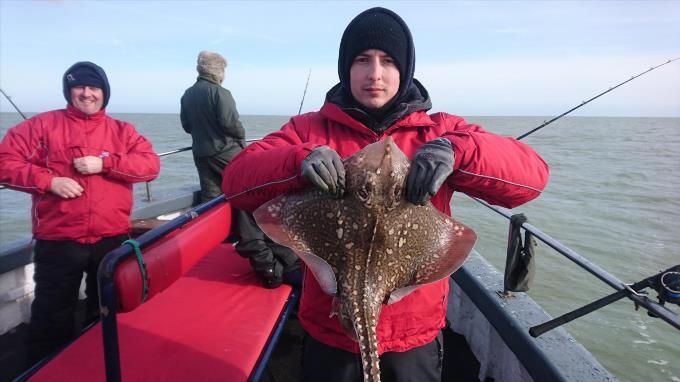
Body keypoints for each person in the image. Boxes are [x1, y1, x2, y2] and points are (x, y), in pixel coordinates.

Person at [221, 7, 550, 382]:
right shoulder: (307, 129)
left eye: (388, 61)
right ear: (346, 67)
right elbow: (236, 181)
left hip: (414, 336)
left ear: (405, 69)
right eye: (363, 60)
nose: (375, 74)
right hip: (329, 334)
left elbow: (532, 179)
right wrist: (298, 159)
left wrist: (460, 150)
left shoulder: (440, 130)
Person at [0, 61, 161, 365]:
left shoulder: (122, 131)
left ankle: (100, 363)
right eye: (79, 86)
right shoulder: (41, 126)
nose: (87, 93)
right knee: (51, 313)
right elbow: (5, 163)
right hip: (59, 240)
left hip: (111, 238)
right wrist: (49, 181)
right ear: (68, 91)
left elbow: (150, 165)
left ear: (104, 93)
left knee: (107, 307)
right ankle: (45, 368)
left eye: (94, 87)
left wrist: (106, 164)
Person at [180, 51, 300, 289]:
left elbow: (186, 125)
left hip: (201, 153)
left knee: (211, 199)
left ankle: (214, 244)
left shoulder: (187, 95)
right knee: (246, 191)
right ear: (218, 71)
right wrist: (242, 141)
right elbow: (230, 123)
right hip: (225, 151)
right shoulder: (220, 93)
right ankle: (257, 243)